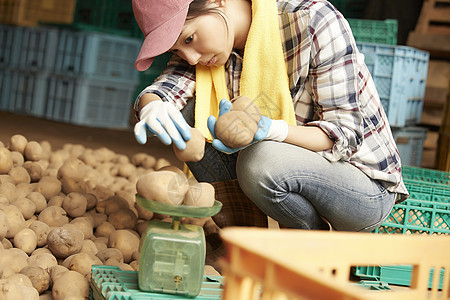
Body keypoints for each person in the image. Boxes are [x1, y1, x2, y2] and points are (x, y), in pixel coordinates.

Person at [131, 0, 409, 231]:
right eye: (177, 49)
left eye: (189, 38)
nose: (191, 57)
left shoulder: (313, 19)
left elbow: (343, 133)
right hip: (288, 174)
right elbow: (169, 87)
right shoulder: (207, 47)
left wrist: (273, 131)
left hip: (361, 187)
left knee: (259, 161)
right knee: (188, 110)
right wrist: (151, 105)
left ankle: (308, 246)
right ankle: (244, 236)